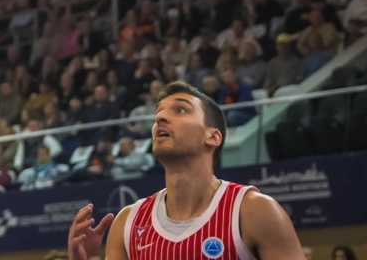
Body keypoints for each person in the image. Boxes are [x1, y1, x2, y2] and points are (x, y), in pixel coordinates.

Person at [67, 82, 301, 260]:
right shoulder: (128, 222)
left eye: (180, 110)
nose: (160, 117)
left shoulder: (255, 211)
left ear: (213, 136)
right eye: (159, 112)